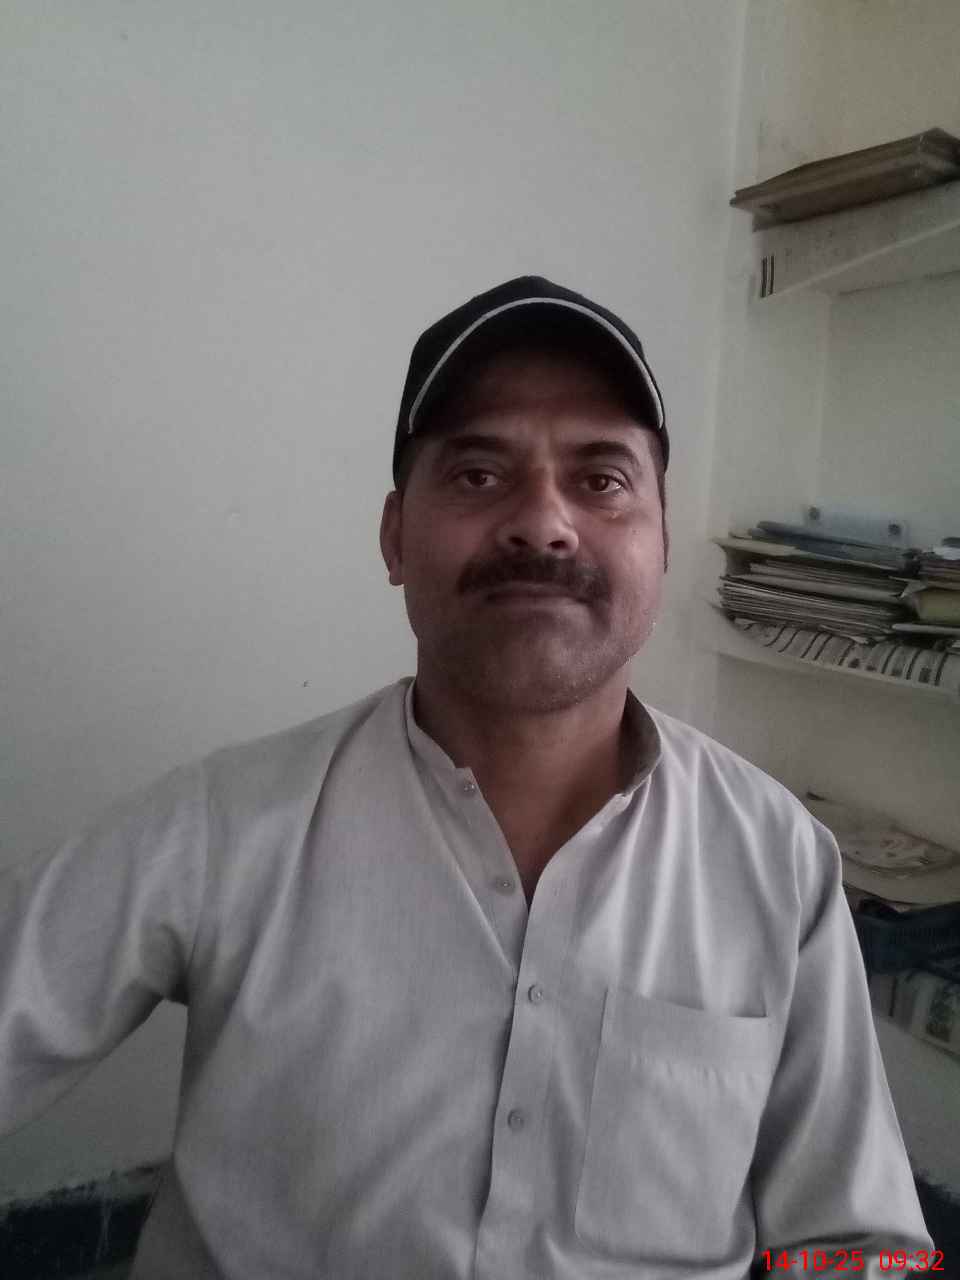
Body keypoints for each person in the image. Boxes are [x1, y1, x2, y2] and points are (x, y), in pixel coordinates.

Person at [0, 277, 933, 1278]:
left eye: (602, 479)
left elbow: (859, 1242)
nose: (544, 523)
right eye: (479, 474)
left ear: (662, 542)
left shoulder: (776, 858)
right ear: (395, 536)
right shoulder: (223, 827)